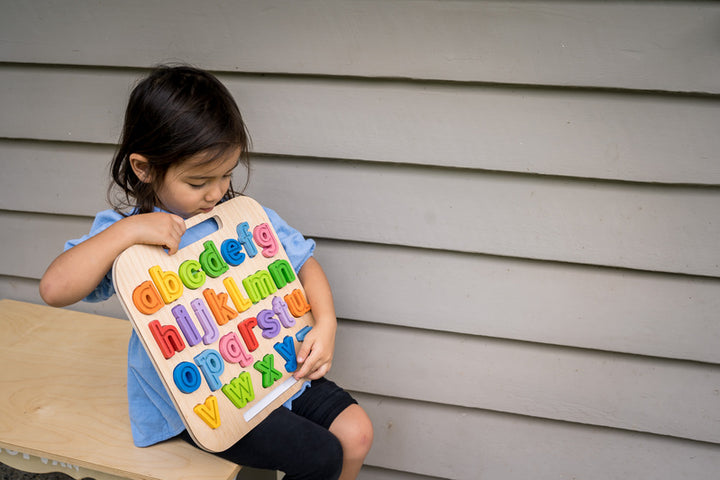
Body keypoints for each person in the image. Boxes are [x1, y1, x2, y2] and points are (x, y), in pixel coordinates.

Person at [39, 64, 373, 480]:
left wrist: (326, 323)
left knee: (357, 434)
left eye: (226, 174)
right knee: (320, 455)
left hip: (271, 367)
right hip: (199, 400)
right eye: (199, 181)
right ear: (143, 168)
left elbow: (304, 261)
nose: (216, 193)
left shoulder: (239, 216)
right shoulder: (127, 233)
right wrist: (129, 230)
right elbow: (54, 288)